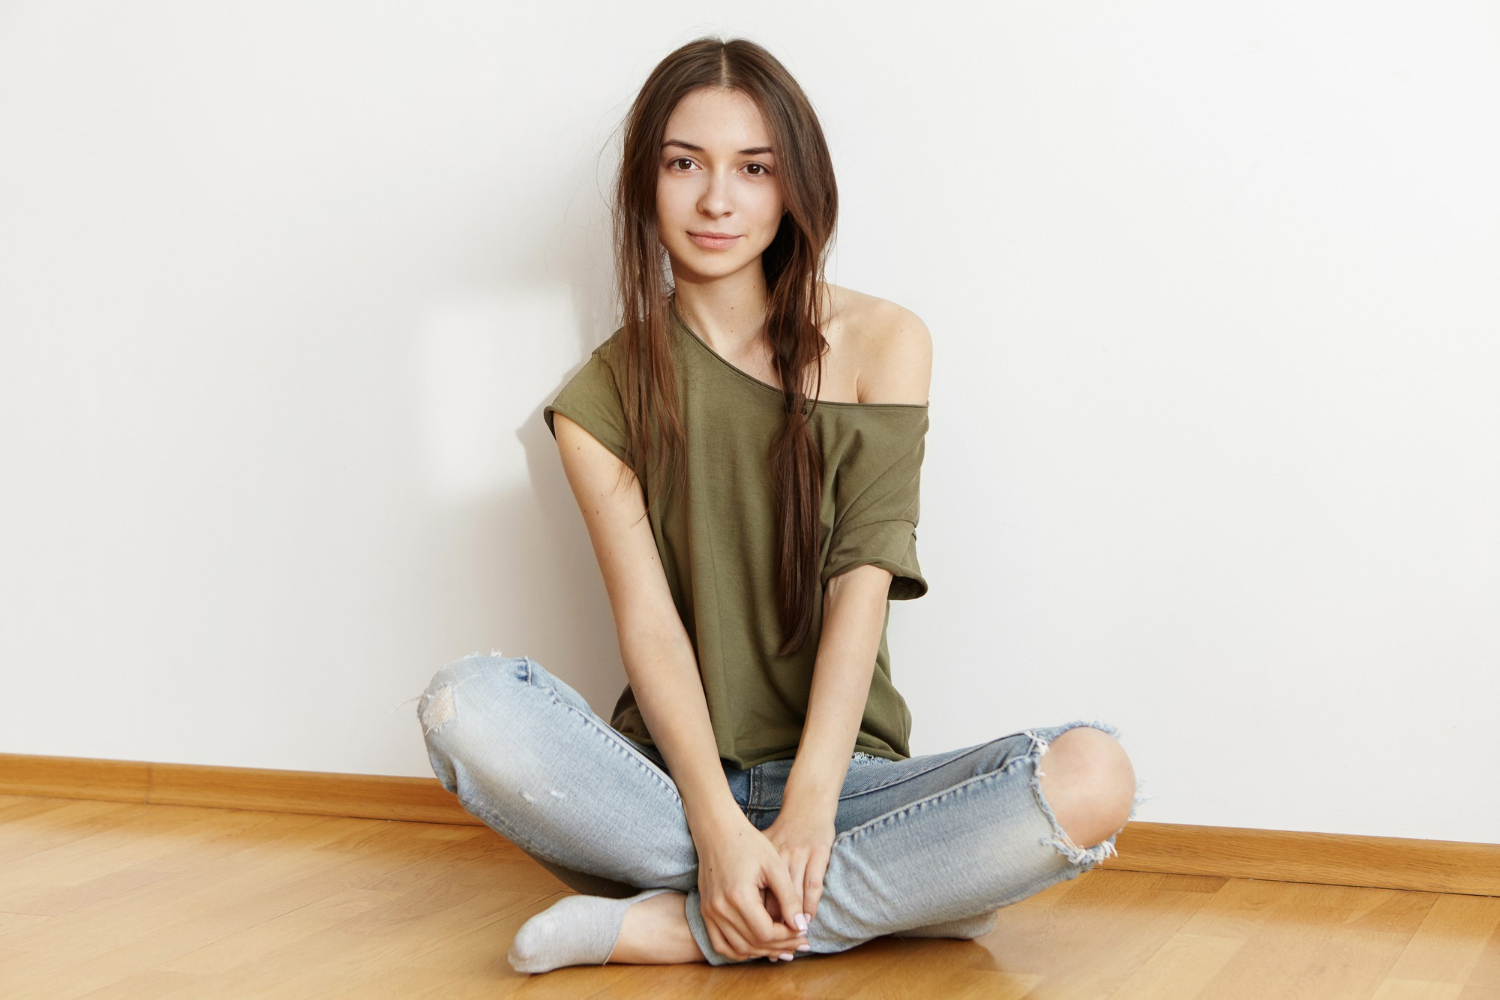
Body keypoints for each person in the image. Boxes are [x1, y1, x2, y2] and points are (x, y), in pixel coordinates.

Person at [417, 35, 1144, 975]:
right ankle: (891, 895)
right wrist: (719, 830)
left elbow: (862, 584)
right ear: (646, 184)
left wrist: (806, 810)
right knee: (461, 706)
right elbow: (650, 628)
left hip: (849, 782)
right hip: (671, 789)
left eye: (753, 169)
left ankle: (682, 926)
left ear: (793, 184)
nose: (718, 200)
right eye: (685, 164)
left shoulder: (885, 343)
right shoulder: (598, 403)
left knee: (1095, 774)